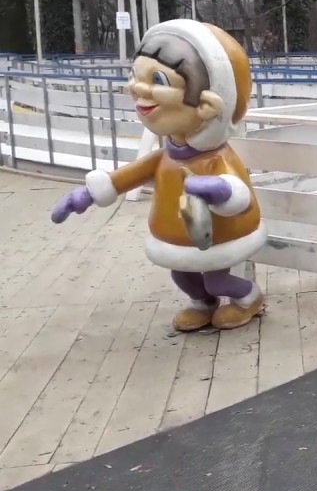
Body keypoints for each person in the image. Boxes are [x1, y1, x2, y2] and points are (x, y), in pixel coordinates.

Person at [51, 20, 267, 332]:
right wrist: (85, 194)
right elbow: (125, 177)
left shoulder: (216, 157)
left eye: (158, 79)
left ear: (208, 104)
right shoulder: (165, 156)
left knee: (217, 278)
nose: (138, 89)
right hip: (175, 241)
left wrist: (218, 189)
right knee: (181, 275)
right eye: (135, 76)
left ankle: (249, 298)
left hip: (221, 237)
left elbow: (238, 193)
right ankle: (202, 304)